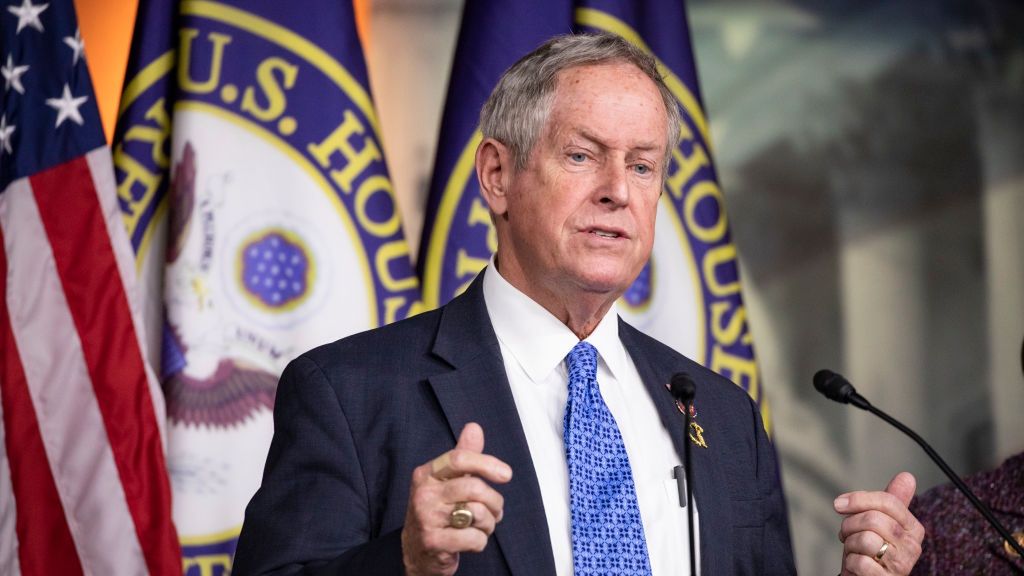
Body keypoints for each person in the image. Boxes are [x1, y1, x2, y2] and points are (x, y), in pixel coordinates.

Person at [233, 33, 924, 576]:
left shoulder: (721, 413)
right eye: (582, 156)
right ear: (497, 176)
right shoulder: (350, 393)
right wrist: (407, 562)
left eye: (643, 165)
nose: (618, 190)